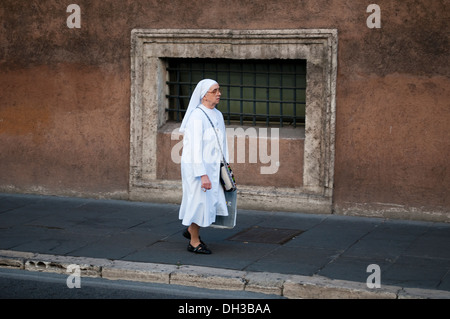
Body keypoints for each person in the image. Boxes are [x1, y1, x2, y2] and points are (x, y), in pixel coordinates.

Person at [178, 79, 229, 254]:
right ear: (204, 95)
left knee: (208, 202)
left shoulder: (218, 115)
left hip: (213, 167)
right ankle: (193, 242)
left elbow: (222, 143)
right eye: (214, 90)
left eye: (218, 90)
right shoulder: (197, 117)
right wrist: (202, 174)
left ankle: (191, 230)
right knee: (199, 203)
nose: (219, 93)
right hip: (196, 168)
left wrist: (225, 167)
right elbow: (193, 148)